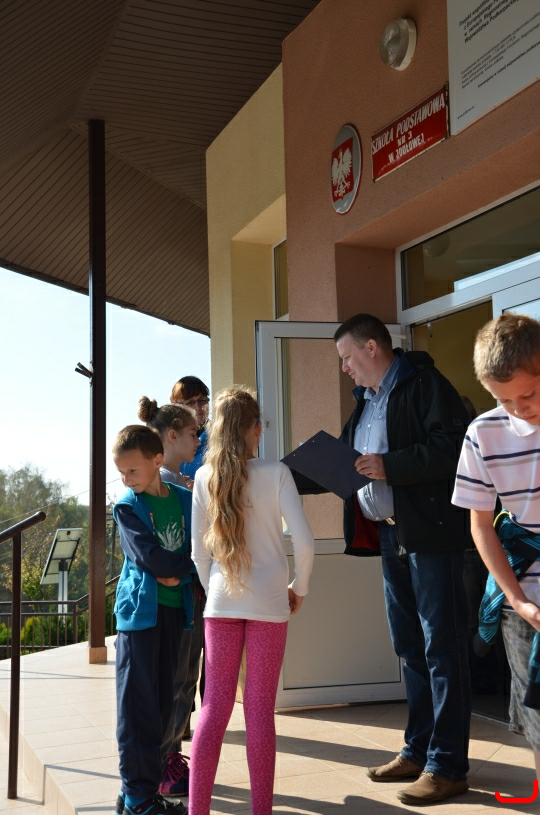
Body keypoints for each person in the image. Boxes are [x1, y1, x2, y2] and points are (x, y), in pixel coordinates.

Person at [333, 314, 471, 806]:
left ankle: (447, 766)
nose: (345, 368)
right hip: (391, 536)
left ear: (372, 347)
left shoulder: (426, 385)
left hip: (431, 536)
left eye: (347, 357)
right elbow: (348, 464)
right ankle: (417, 751)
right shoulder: (365, 403)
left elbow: (453, 449)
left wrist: (390, 465)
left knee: (442, 648)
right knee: (410, 647)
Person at [189, 387, 315, 815]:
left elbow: (198, 555)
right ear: (256, 428)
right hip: (269, 604)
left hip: (221, 603)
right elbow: (305, 542)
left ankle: (197, 810)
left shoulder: (204, 477)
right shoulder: (276, 473)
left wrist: (216, 593)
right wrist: (299, 587)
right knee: (259, 710)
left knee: (214, 706)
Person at [452, 313, 540, 784]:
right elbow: (481, 525)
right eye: (504, 400)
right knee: (539, 726)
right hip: (523, 601)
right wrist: (518, 600)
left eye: (529, 394)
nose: (519, 409)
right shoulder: (482, 432)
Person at [112, 425, 193, 815]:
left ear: (157, 461)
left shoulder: (185, 499)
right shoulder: (127, 507)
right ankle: (136, 799)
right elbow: (151, 559)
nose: (126, 479)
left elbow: (200, 551)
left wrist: (181, 572)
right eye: (121, 472)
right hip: (139, 619)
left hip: (174, 613)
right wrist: (179, 568)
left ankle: (140, 792)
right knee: (136, 708)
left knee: (162, 705)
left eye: (133, 470)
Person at [137, 398, 200, 797]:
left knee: (184, 680)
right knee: (175, 680)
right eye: (193, 433)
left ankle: (169, 759)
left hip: (188, 595)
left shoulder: (180, 483)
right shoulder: (163, 485)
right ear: (172, 436)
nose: (199, 440)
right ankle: (164, 764)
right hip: (173, 599)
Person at [170, 376, 210, 488]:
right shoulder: (166, 443)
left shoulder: (220, 439)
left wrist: (199, 488)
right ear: (175, 407)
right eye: (190, 402)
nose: (198, 407)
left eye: (202, 400)